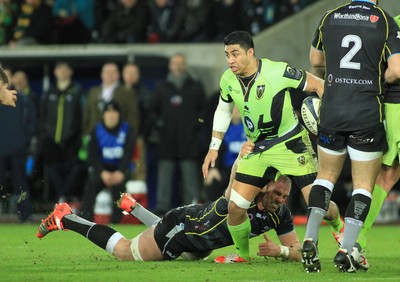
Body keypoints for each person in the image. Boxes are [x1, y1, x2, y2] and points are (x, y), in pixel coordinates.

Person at [202, 30, 342, 264]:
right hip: (257, 148)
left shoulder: (278, 71)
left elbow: (318, 85)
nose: (230, 60)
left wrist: (329, 120)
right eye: (227, 55)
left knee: (319, 204)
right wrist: (214, 147)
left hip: (290, 143)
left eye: (235, 54)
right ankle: (242, 256)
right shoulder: (227, 79)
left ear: (250, 52)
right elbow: (223, 110)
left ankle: (339, 225)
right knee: (235, 207)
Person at [301, 0, 400, 273]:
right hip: (366, 111)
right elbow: (397, 69)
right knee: (364, 185)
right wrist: (373, 77)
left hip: (332, 111)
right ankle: (347, 248)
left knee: (324, 178)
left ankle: (310, 238)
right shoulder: (383, 19)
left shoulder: (329, 16)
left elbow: (315, 60)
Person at [36, 163, 301, 262]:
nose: (280, 199)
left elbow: (300, 251)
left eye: (285, 196)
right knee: (126, 252)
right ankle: (67, 218)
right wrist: (246, 154)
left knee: (194, 256)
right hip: (183, 228)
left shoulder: (281, 214)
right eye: (277, 193)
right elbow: (237, 173)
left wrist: (283, 251)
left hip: (200, 247)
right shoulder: (241, 198)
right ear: (264, 186)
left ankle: (135, 209)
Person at [355, 14, 400, 269]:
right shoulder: (390, 23)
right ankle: (355, 241)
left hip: (392, 106)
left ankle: (356, 240)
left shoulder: (388, 22)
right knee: (386, 175)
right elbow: (395, 71)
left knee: (387, 175)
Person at [151, 53, 206, 213]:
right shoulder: (161, 87)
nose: (178, 66)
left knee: (190, 181)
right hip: (166, 142)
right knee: (164, 181)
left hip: (189, 143)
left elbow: (204, 111)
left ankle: (193, 210)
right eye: (175, 63)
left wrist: (196, 125)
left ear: (185, 65)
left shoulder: (195, 86)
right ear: (170, 66)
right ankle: (161, 213)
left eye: (181, 63)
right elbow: (152, 111)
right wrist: (160, 125)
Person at [80, 101, 135, 224]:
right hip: (102, 169)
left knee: (119, 191)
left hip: (121, 168)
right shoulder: (96, 130)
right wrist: (101, 172)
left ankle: (116, 224)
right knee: (90, 187)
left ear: (119, 114)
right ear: (104, 115)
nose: (111, 115)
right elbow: (92, 155)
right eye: (108, 112)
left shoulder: (127, 130)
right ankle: (85, 222)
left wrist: (120, 172)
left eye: (114, 112)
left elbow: (128, 153)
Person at [39, 62, 86, 202]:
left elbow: (82, 116)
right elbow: (43, 115)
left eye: (66, 69)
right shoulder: (50, 92)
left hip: (72, 140)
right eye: (60, 69)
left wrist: (78, 135)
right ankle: (61, 198)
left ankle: (66, 196)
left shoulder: (77, 92)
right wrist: (44, 134)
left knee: (75, 169)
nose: (63, 72)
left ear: (70, 71)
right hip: (51, 140)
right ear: (55, 72)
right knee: (52, 170)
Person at [0, 68, 35, 222]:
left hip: (18, 149)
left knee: (20, 183)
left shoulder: (23, 99)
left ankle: (25, 215)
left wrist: (24, 141)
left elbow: (31, 122)